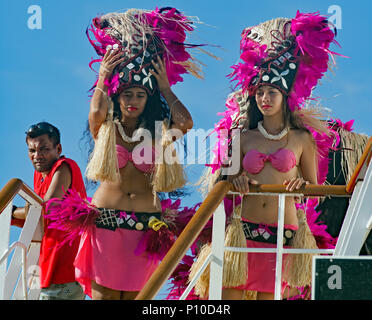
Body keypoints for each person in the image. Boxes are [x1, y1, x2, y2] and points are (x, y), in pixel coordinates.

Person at [45, 7, 214, 300]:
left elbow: (186, 122)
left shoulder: (159, 134)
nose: (133, 100)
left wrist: (164, 87)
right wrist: (103, 78)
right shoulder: (105, 131)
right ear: (118, 97)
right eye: (127, 94)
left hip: (146, 229)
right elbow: (96, 111)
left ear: (148, 99)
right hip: (106, 226)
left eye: (140, 95)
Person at [190, 11, 340, 300]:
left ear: (285, 96)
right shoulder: (242, 136)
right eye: (260, 92)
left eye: (272, 92)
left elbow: (316, 191)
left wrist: (304, 187)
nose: (264, 98)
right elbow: (224, 182)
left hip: (282, 237)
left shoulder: (302, 138)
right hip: (241, 236)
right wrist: (238, 181)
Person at [12, 122, 86, 300]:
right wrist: (13, 216)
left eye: (44, 149)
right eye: (32, 150)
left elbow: (46, 208)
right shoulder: (41, 174)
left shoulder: (64, 166)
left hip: (64, 271)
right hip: (43, 271)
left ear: (58, 148)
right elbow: (37, 218)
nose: (37, 155)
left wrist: (13, 211)